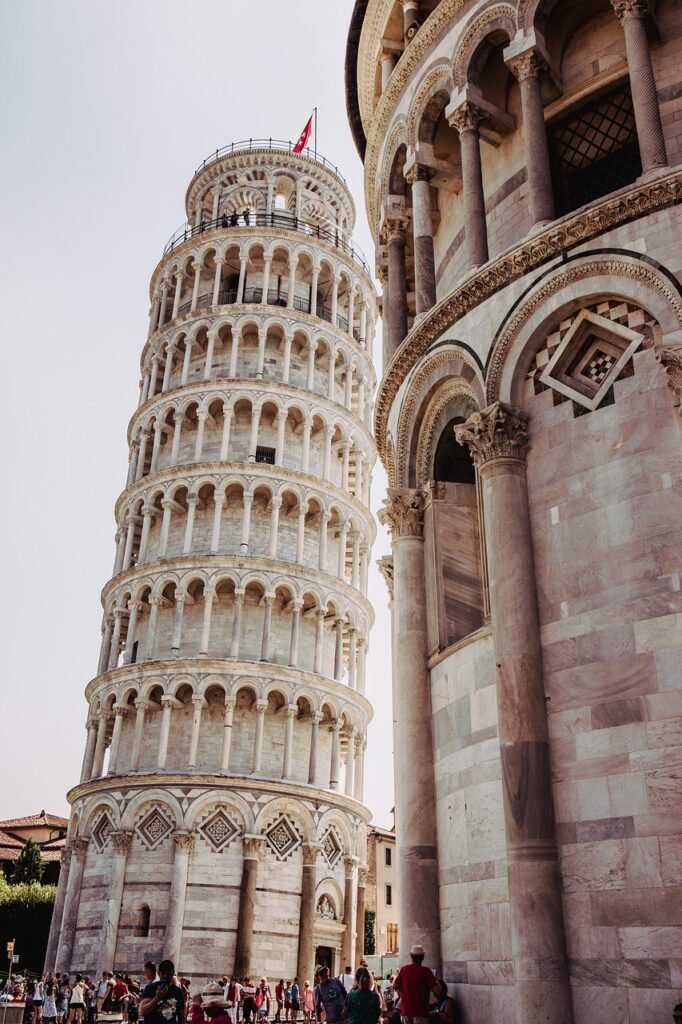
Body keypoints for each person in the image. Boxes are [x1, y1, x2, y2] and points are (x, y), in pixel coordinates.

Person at [392, 946, 439, 1024]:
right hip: (421, 1013)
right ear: (423, 957)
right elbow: (437, 990)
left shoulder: (404, 970)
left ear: (411, 956)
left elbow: (395, 986)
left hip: (406, 1012)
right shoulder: (426, 971)